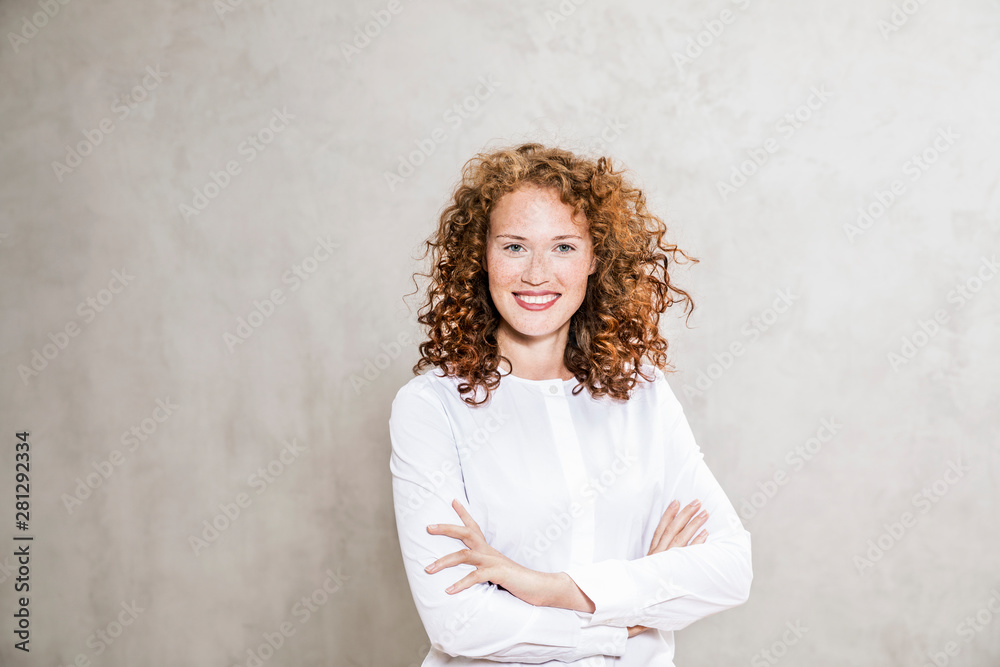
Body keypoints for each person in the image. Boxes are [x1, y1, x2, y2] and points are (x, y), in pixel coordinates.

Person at [389, 142, 752, 666]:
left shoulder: (641, 392)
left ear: (594, 259)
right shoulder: (431, 407)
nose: (537, 273)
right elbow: (459, 623)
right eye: (514, 246)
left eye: (563, 247)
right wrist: (628, 614)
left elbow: (730, 569)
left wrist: (550, 588)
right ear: (481, 256)